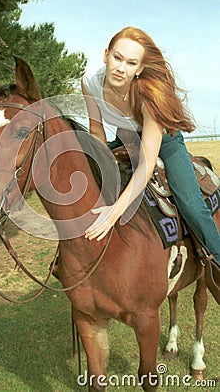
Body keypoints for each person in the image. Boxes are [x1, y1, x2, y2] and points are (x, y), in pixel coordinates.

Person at [82, 26, 220, 267]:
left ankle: (217, 257)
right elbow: (96, 129)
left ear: (139, 69)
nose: (121, 68)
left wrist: (113, 213)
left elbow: (146, 165)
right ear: (106, 55)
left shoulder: (150, 95)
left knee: (191, 206)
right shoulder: (89, 83)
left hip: (165, 141)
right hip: (126, 137)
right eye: (117, 57)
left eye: (131, 63)